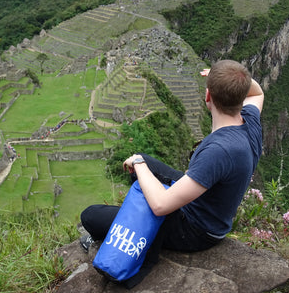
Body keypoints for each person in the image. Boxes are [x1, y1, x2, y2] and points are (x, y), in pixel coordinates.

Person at [80, 59, 264, 288]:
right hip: (208, 204)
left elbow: (161, 205)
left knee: (90, 216)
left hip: (197, 229)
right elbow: (257, 93)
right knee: (144, 162)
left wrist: (138, 164)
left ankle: (145, 242)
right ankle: (140, 220)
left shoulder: (219, 151)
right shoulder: (250, 123)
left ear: (208, 96)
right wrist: (232, 77)